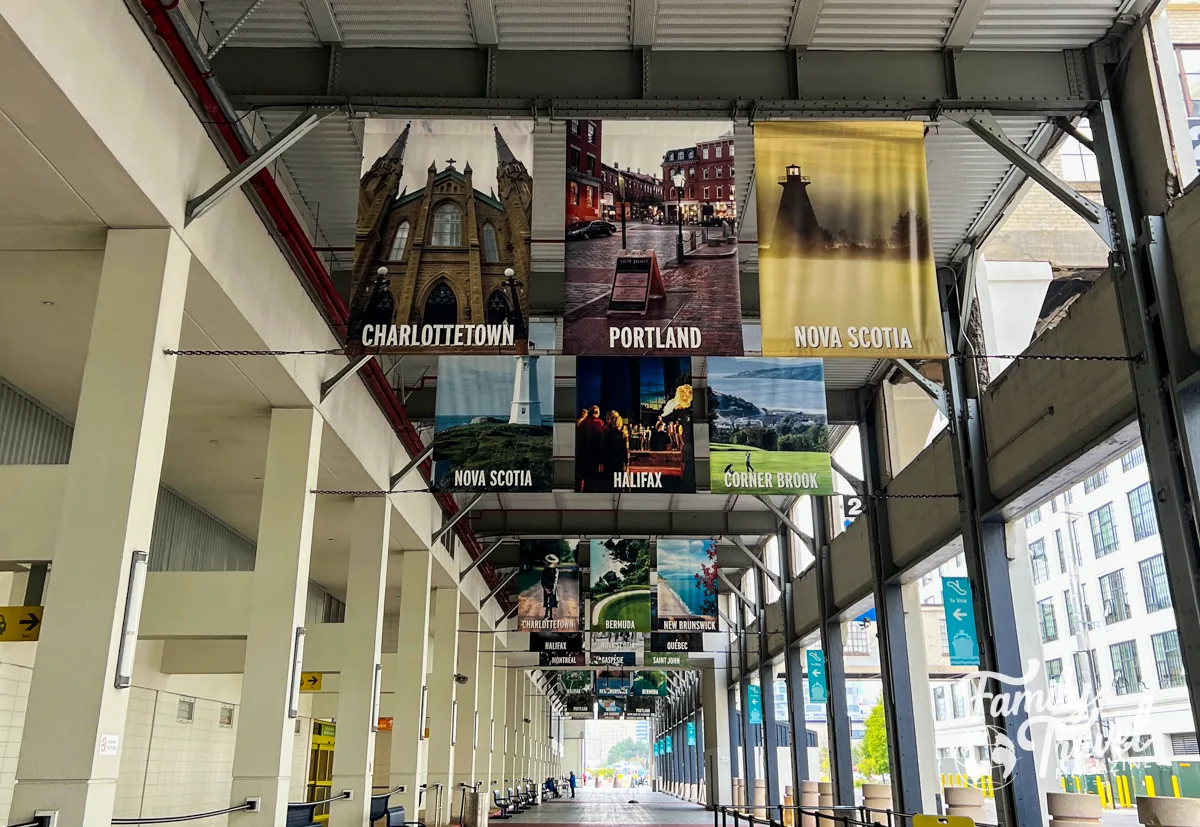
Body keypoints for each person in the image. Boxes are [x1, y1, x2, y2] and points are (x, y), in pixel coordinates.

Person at [541, 555, 560, 622]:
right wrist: (545, 588)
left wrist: (552, 589)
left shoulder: (555, 570)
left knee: (551, 602)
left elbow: (555, 580)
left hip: (552, 588)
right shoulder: (545, 570)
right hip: (546, 588)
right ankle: (547, 615)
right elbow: (542, 580)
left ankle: (550, 616)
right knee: (547, 602)